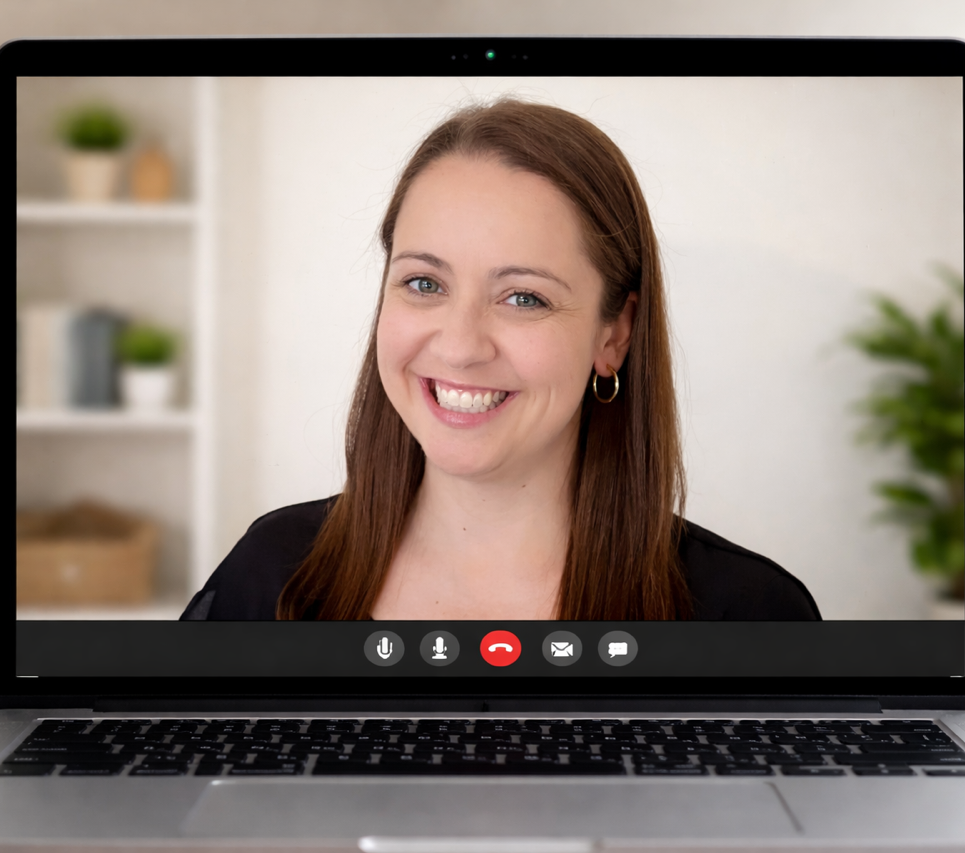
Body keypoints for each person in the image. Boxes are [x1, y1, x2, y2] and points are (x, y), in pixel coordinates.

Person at [182, 99, 819, 622]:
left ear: (614, 336)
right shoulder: (269, 574)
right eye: (424, 284)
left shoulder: (752, 614)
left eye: (523, 297)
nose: (460, 346)